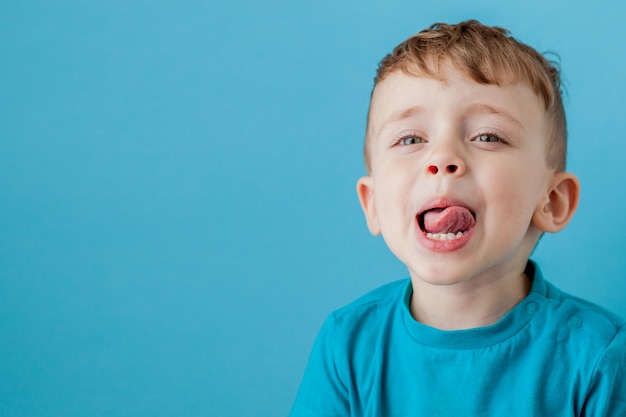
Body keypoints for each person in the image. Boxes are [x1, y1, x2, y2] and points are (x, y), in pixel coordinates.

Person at [289, 20, 626, 416]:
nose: (443, 159)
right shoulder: (346, 345)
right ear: (373, 203)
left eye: (487, 136)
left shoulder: (601, 358)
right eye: (411, 139)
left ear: (551, 200)